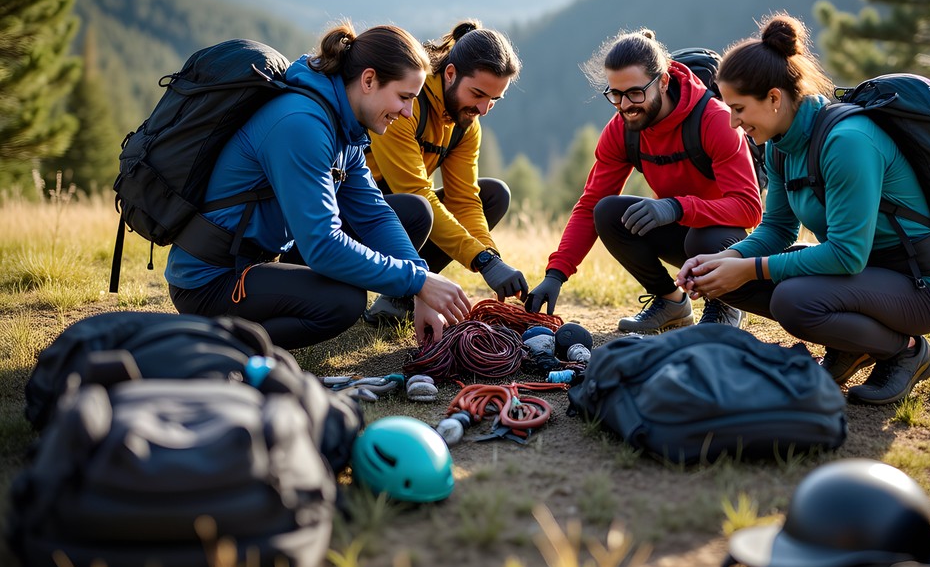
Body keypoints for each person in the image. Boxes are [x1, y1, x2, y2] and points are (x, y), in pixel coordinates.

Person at [675, 14, 930, 405]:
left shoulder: (846, 143)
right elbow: (776, 227)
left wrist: (749, 267)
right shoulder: (780, 144)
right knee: (734, 281)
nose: (732, 121)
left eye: (739, 108)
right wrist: (723, 259)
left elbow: (847, 254)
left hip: (920, 285)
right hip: (864, 275)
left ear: (774, 98)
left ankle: (907, 352)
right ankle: (848, 344)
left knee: (793, 301)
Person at [165, 22, 472, 349]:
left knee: (410, 212)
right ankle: (214, 345)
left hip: (259, 260)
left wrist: (420, 288)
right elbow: (322, 245)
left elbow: (374, 215)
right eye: (403, 97)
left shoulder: (344, 124)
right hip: (212, 281)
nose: (408, 112)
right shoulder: (302, 125)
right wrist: (419, 281)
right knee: (341, 302)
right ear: (368, 80)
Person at [524, 29, 763, 332]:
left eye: (635, 93)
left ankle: (724, 304)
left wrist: (676, 208)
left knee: (704, 238)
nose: (625, 105)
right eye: (615, 94)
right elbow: (589, 206)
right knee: (608, 212)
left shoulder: (714, 119)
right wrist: (556, 273)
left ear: (663, 82)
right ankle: (670, 302)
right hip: (681, 231)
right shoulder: (622, 130)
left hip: (726, 240)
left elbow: (749, 209)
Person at [362, 20, 528, 324]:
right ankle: (406, 286)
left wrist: (490, 256)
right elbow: (413, 191)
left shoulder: (465, 125)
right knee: (419, 208)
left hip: (405, 212)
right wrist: (481, 259)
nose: (483, 109)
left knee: (494, 195)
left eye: (494, 99)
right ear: (450, 73)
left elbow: (465, 199)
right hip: (360, 215)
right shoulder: (406, 102)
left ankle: (398, 299)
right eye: (478, 94)